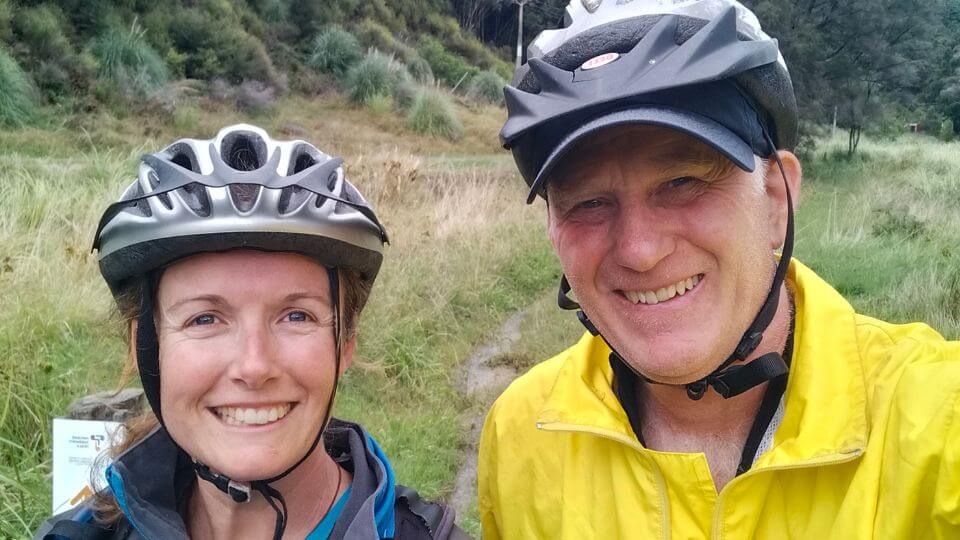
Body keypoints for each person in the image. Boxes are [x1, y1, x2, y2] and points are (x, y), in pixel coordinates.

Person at [478, 1, 960, 538]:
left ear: (775, 199)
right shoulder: (520, 435)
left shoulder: (937, 416)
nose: (639, 250)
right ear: (553, 230)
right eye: (588, 202)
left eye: (683, 182)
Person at [35, 124, 467, 540]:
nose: (254, 367)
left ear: (345, 341)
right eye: (204, 319)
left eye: (296, 316)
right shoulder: (78, 532)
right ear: (145, 346)